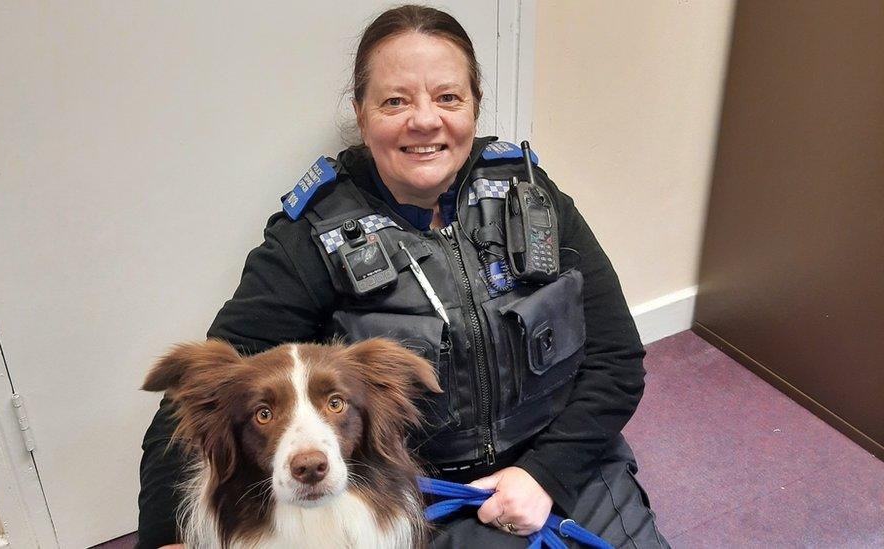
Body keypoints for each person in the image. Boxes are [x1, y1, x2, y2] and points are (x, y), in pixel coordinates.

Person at [138, 5, 670, 548]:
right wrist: (167, 538)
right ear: (362, 115)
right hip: (422, 494)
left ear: (474, 108)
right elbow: (207, 396)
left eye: (448, 97)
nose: (424, 120)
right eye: (395, 101)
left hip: (568, 460)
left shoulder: (534, 197)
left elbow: (617, 359)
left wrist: (543, 475)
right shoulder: (310, 239)